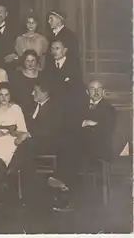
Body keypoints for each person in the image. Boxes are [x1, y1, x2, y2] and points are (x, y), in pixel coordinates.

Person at [48, 80, 116, 211]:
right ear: (87, 92)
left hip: (100, 148)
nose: (96, 92)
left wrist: (85, 125)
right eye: (92, 89)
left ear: (103, 91)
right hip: (81, 147)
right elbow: (68, 125)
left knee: (71, 148)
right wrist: (86, 124)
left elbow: (105, 130)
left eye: (99, 89)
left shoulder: (109, 109)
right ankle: (64, 189)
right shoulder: (80, 107)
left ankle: (60, 181)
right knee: (70, 149)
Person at [7, 80, 63, 206]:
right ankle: (28, 194)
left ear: (45, 93)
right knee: (26, 154)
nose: (32, 93)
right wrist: (17, 131)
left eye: (35, 91)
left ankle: (11, 170)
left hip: (49, 143)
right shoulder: (32, 106)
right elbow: (27, 124)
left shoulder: (54, 108)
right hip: (34, 143)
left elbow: (49, 130)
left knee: (26, 146)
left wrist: (27, 134)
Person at [43, 40, 86, 124]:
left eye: (57, 48)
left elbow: (77, 86)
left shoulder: (74, 65)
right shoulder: (48, 66)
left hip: (70, 107)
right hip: (54, 108)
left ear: (65, 50)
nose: (54, 51)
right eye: (52, 48)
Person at [9, 49, 41, 114]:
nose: (30, 63)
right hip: (21, 110)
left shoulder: (42, 75)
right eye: (28, 61)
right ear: (23, 61)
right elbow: (12, 94)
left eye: (33, 60)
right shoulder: (16, 75)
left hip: (38, 110)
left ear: (37, 61)